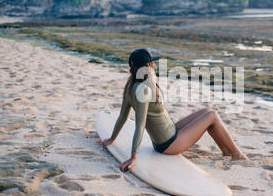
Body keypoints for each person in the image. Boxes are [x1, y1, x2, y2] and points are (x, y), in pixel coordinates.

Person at [102, 48, 247, 172]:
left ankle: (227, 152)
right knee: (212, 116)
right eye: (152, 63)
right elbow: (140, 125)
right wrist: (133, 157)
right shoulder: (144, 90)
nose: (154, 65)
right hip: (169, 144)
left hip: (169, 131)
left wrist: (112, 138)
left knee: (207, 111)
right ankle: (237, 155)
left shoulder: (130, 86)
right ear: (149, 65)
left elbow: (122, 117)